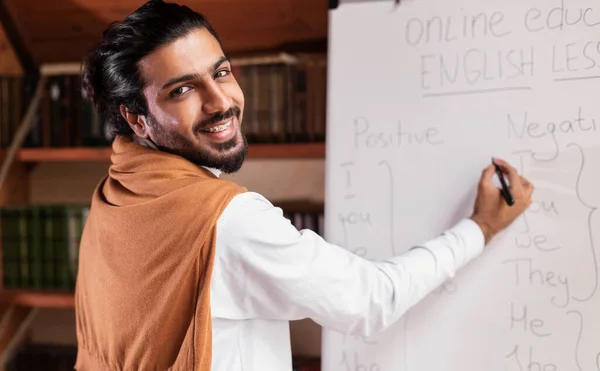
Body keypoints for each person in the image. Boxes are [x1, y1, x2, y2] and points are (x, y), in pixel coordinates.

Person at [74, 0, 534, 370]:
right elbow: (371, 301)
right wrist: (481, 227)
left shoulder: (114, 195)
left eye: (221, 72)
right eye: (182, 90)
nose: (221, 102)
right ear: (138, 120)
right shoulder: (226, 221)